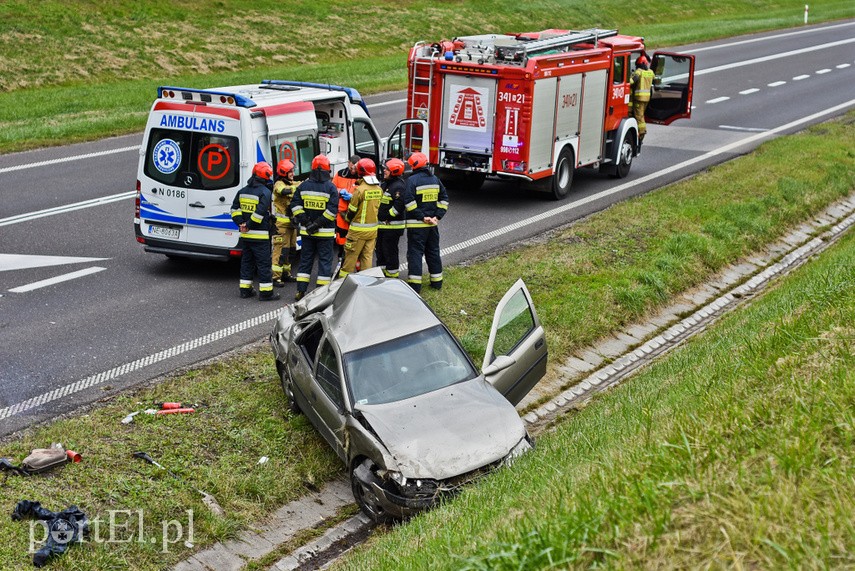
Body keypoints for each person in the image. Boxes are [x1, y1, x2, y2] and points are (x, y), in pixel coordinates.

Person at [290, 154, 339, 301]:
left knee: (305, 261)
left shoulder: (303, 186)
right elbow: (332, 211)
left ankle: (300, 291)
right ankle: (321, 294)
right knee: (324, 262)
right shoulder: (331, 187)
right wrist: (317, 224)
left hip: (307, 233)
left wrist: (307, 223)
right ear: (327, 169)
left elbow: (295, 206)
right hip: (325, 233)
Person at [230, 161, 280, 301]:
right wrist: (248, 224)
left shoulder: (242, 191)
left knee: (247, 262)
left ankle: (245, 290)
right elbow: (260, 213)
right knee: (263, 265)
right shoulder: (265, 192)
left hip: (245, 236)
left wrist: (241, 223)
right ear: (266, 176)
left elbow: (234, 209)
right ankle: (266, 293)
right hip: (260, 236)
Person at [403, 152, 448, 293]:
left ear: (413, 166)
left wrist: (422, 217)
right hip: (432, 225)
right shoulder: (435, 179)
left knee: (415, 254)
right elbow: (444, 199)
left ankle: (415, 286)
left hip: (417, 225)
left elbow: (409, 202)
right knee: (433, 252)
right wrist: (437, 217)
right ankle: (437, 282)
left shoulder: (412, 181)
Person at [339, 158, 382, 278]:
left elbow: (352, 210)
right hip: (372, 231)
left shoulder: (359, 190)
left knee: (350, 259)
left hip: (357, 232)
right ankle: (365, 283)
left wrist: (346, 218)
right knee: (367, 258)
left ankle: (342, 283)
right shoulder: (379, 189)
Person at [271, 159, 299, 287]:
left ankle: (286, 274)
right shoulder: (278, 184)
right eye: (290, 172)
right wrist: (297, 188)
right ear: (284, 173)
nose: (293, 174)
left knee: (290, 250)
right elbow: (283, 191)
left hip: (292, 224)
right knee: (280, 250)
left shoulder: (292, 183)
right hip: (281, 225)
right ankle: (275, 277)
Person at [376, 158, 406, 278]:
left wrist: (385, 216)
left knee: (390, 252)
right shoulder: (386, 184)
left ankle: (392, 277)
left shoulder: (399, 187)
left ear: (394, 171)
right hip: (383, 226)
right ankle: (382, 275)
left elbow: (398, 207)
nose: (384, 170)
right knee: (381, 251)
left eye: (387, 169)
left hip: (392, 227)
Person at [331, 154, 360, 263]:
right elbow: (332, 188)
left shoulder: (362, 176)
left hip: (355, 214)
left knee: (355, 241)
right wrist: (340, 191)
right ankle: (341, 260)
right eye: (351, 168)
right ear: (348, 163)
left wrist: (352, 196)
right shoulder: (340, 174)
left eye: (355, 168)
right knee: (341, 239)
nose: (353, 171)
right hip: (342, 214)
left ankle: (355, 263)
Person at [629, 54, 656, 151]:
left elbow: (631, 82)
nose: (637, 67)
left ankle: (641, 134)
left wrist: (628, 75)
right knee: (640, 116)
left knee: (639, 118)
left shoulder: (638, 72)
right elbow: (655, 79)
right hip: (646, 99)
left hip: (639, 99)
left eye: (638, 65)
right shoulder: (651, 72)